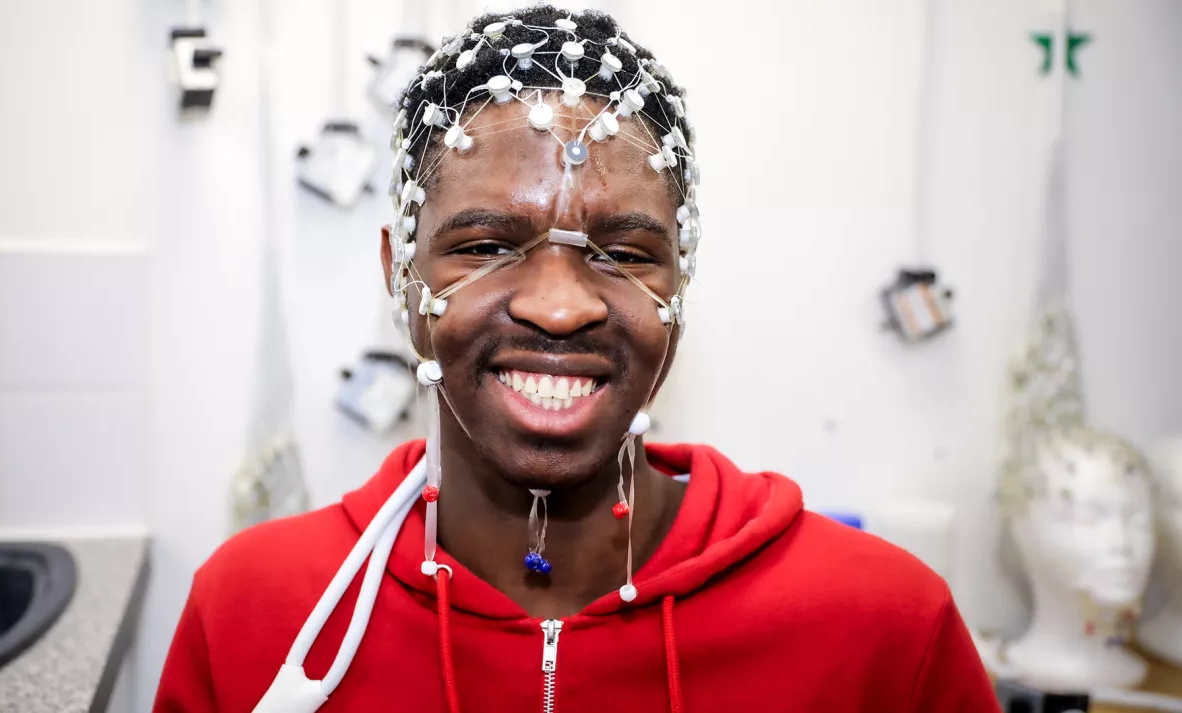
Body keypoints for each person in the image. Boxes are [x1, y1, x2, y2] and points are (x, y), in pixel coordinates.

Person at [155, 6, 999, 712]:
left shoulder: (881, 627)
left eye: (626, 255)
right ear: (400, 274)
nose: (561, 306)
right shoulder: (255, 613)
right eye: (485, 244)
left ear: (680, 279)